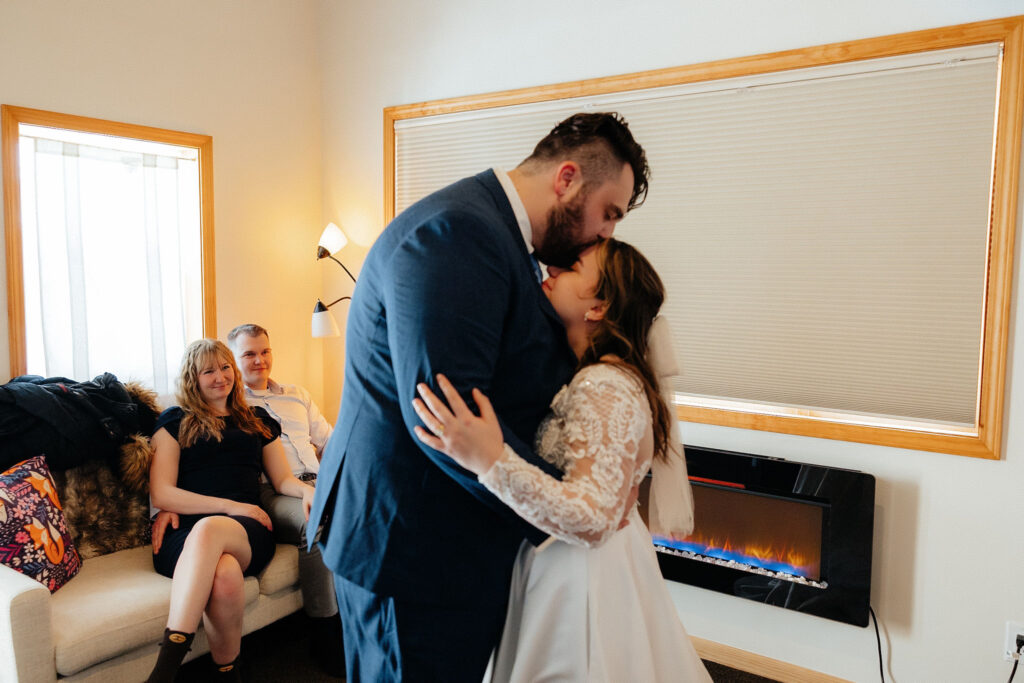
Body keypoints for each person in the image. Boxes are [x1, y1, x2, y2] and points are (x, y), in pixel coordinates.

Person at [306, 112, 650, 682]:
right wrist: (573, 506)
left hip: (447, 549)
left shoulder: (498, 237)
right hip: (412, 549)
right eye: (609, 212)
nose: (608, 232)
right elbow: (448, 422)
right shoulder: (458, 235)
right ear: (567, 179)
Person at [413, 239, 711, 682]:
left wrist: (490, 460)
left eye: (572, 267)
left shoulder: (603, 385)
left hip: (581, 579)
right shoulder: (599, 376)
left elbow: (590, 517)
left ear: (599, 306)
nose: (550, 268)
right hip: (582, 563)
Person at [152, 324, 343, 674]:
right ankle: (229, 671)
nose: (221, 377)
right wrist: (230, 506)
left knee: (214, 534)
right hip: (193, 530)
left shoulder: (257, 419)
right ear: (192, 378)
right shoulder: (173, 421)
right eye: (209, 371)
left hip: (245, 529)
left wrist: (306, 491)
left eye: (225, 367)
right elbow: (161, 492)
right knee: (223, 574)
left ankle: (165, 669)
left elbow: (283, 478)